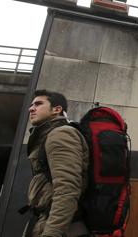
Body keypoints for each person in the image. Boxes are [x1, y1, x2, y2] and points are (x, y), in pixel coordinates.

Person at [23, 90, 89, 237]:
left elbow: (67, 189)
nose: (31, 108)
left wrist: (51, 233)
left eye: (38, 104)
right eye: (32, 105)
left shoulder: (61, 134)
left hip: (59, 227)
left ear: (57, 110)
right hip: (45, 221)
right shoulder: (49, 135)